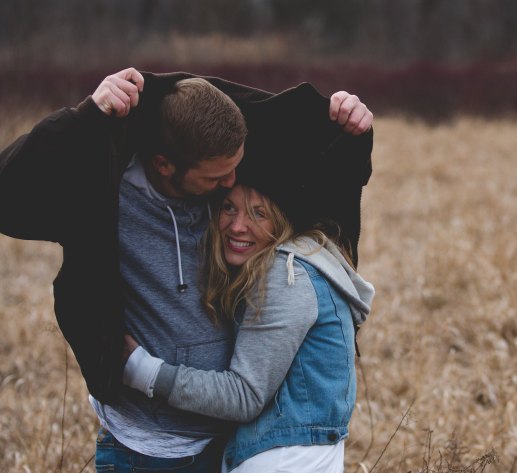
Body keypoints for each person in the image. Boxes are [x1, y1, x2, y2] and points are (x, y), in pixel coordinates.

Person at [0, 68, 374, 472]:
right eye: (217, 178)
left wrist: (352, 123)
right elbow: (10, 189)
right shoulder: (102, 191)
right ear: (164, 165)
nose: (232, 182)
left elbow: (322, 160)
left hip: (231, 445)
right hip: (145, 449)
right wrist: (86, 116)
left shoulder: (224, 173)